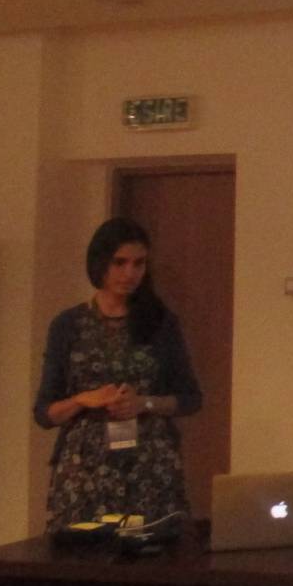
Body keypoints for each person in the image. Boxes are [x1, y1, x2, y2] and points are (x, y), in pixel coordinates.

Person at [34, 217, 203, 529]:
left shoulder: (160, 322)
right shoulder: (68, 325)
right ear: (100, 263)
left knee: (153, 549)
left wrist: (144, 403)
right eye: (120, 263)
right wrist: (83, 400)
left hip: (149, 464)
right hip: (84, 467)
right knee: (81, 550)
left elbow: (191, 398)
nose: (129, 273)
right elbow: (44, 413)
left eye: (139, 264)